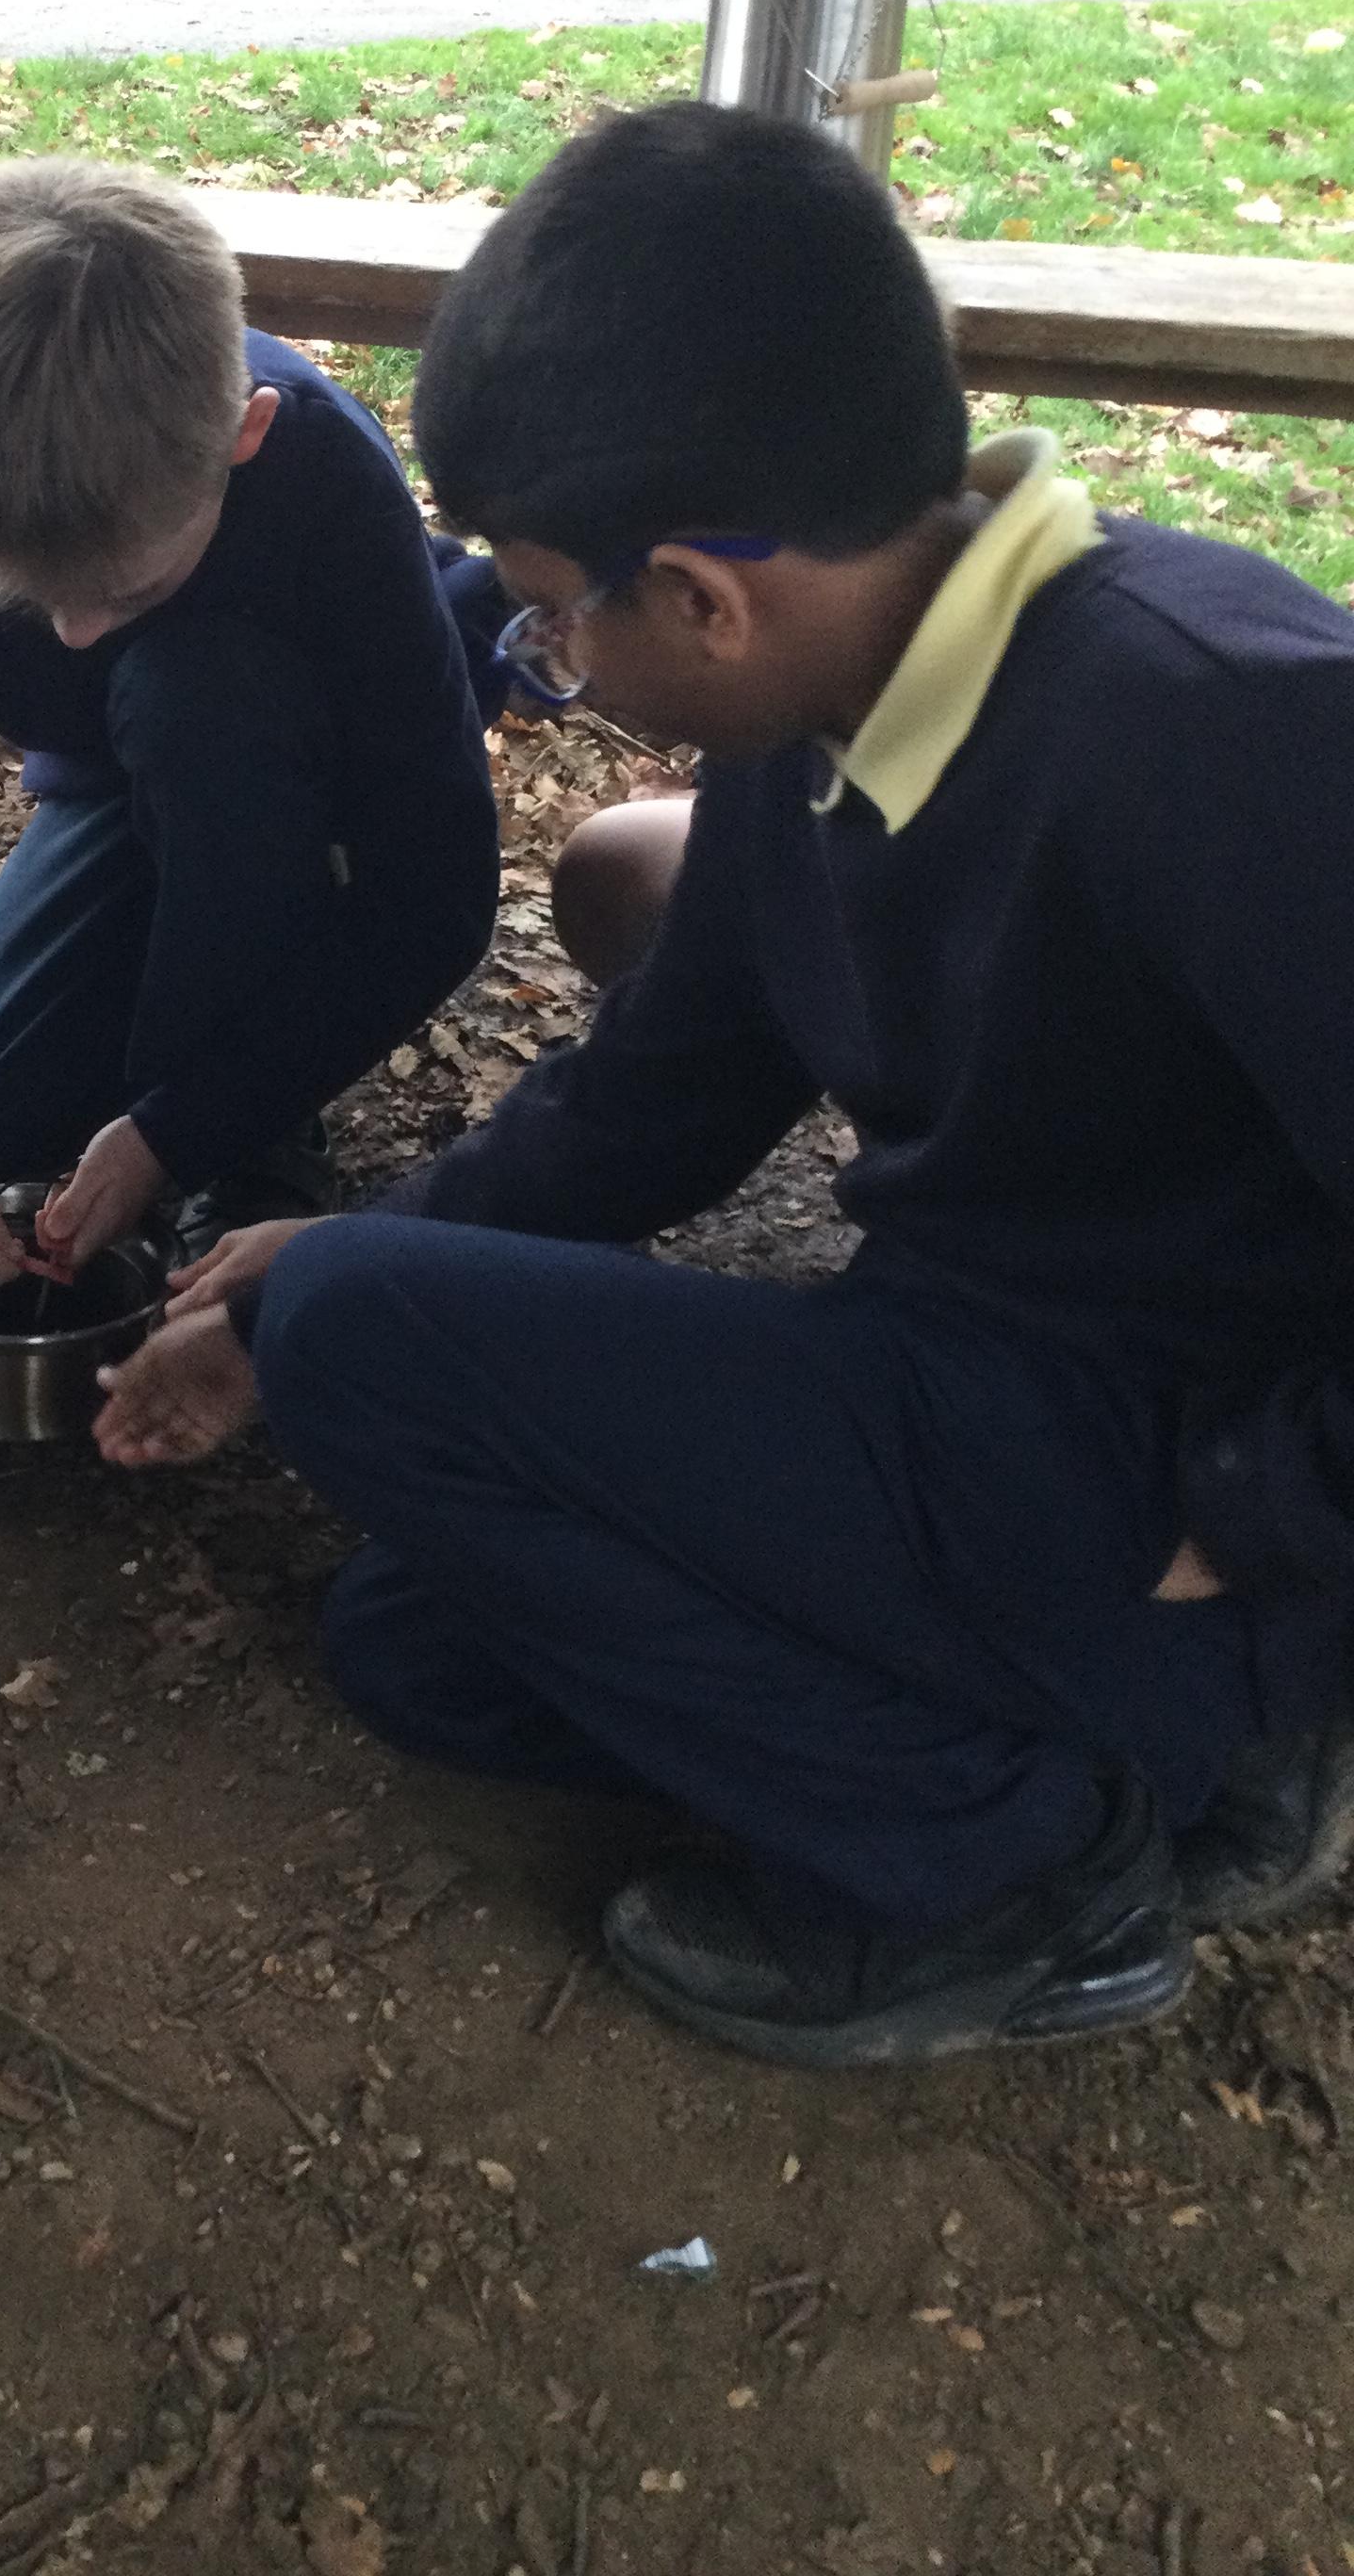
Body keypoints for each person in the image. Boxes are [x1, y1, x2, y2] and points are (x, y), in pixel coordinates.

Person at [90, 100, 1354, 2070]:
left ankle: (1025, 1868)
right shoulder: (827, 707)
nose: (552, 658)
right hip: (978, 1392)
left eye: (549, 613)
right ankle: (1132, 1756)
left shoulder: (1226, 730)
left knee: (361, 1339)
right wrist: (311, 1272)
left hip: (1165, 1483)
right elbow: (652, 1101)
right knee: (418, 1640)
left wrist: (1257, 1519)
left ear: (699, 593)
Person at [0, 158, 502, 1289]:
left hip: (305, 782)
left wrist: (183, 1130)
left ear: (244, 434)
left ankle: (258, 1151)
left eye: (123, 592)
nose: (75, 636)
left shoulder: (326, 484)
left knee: (199, 692)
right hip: (113, 785)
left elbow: (434, 889)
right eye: (26, 597)